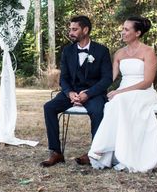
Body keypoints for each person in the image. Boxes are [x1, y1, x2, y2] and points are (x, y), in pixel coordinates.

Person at [84, 16, 157, 172]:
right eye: (122, 29)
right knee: (112, 104)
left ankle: (102, 149)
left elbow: (147, 81)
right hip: (122, 93)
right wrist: (90, 90)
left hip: (143, 92)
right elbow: (110, 78)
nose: (122, 32)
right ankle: (109, 151)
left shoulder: (148, 52)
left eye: (126, 29)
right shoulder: (119, 53)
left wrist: (120, 92)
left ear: (138, 33)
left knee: (119, 100)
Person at [40, 15, 112, 167]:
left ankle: (94, 153)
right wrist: (69, 93)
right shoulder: (67, 51)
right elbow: (63, 78)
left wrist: (88, 93)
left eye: (74, 29)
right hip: (71, 92)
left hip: (93, 93)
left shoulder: (102, 51)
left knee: (98, 111)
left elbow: (107, 79)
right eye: (70, 29)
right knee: (49, 107)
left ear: (85, 30)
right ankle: (56, 152)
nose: (70, 32)